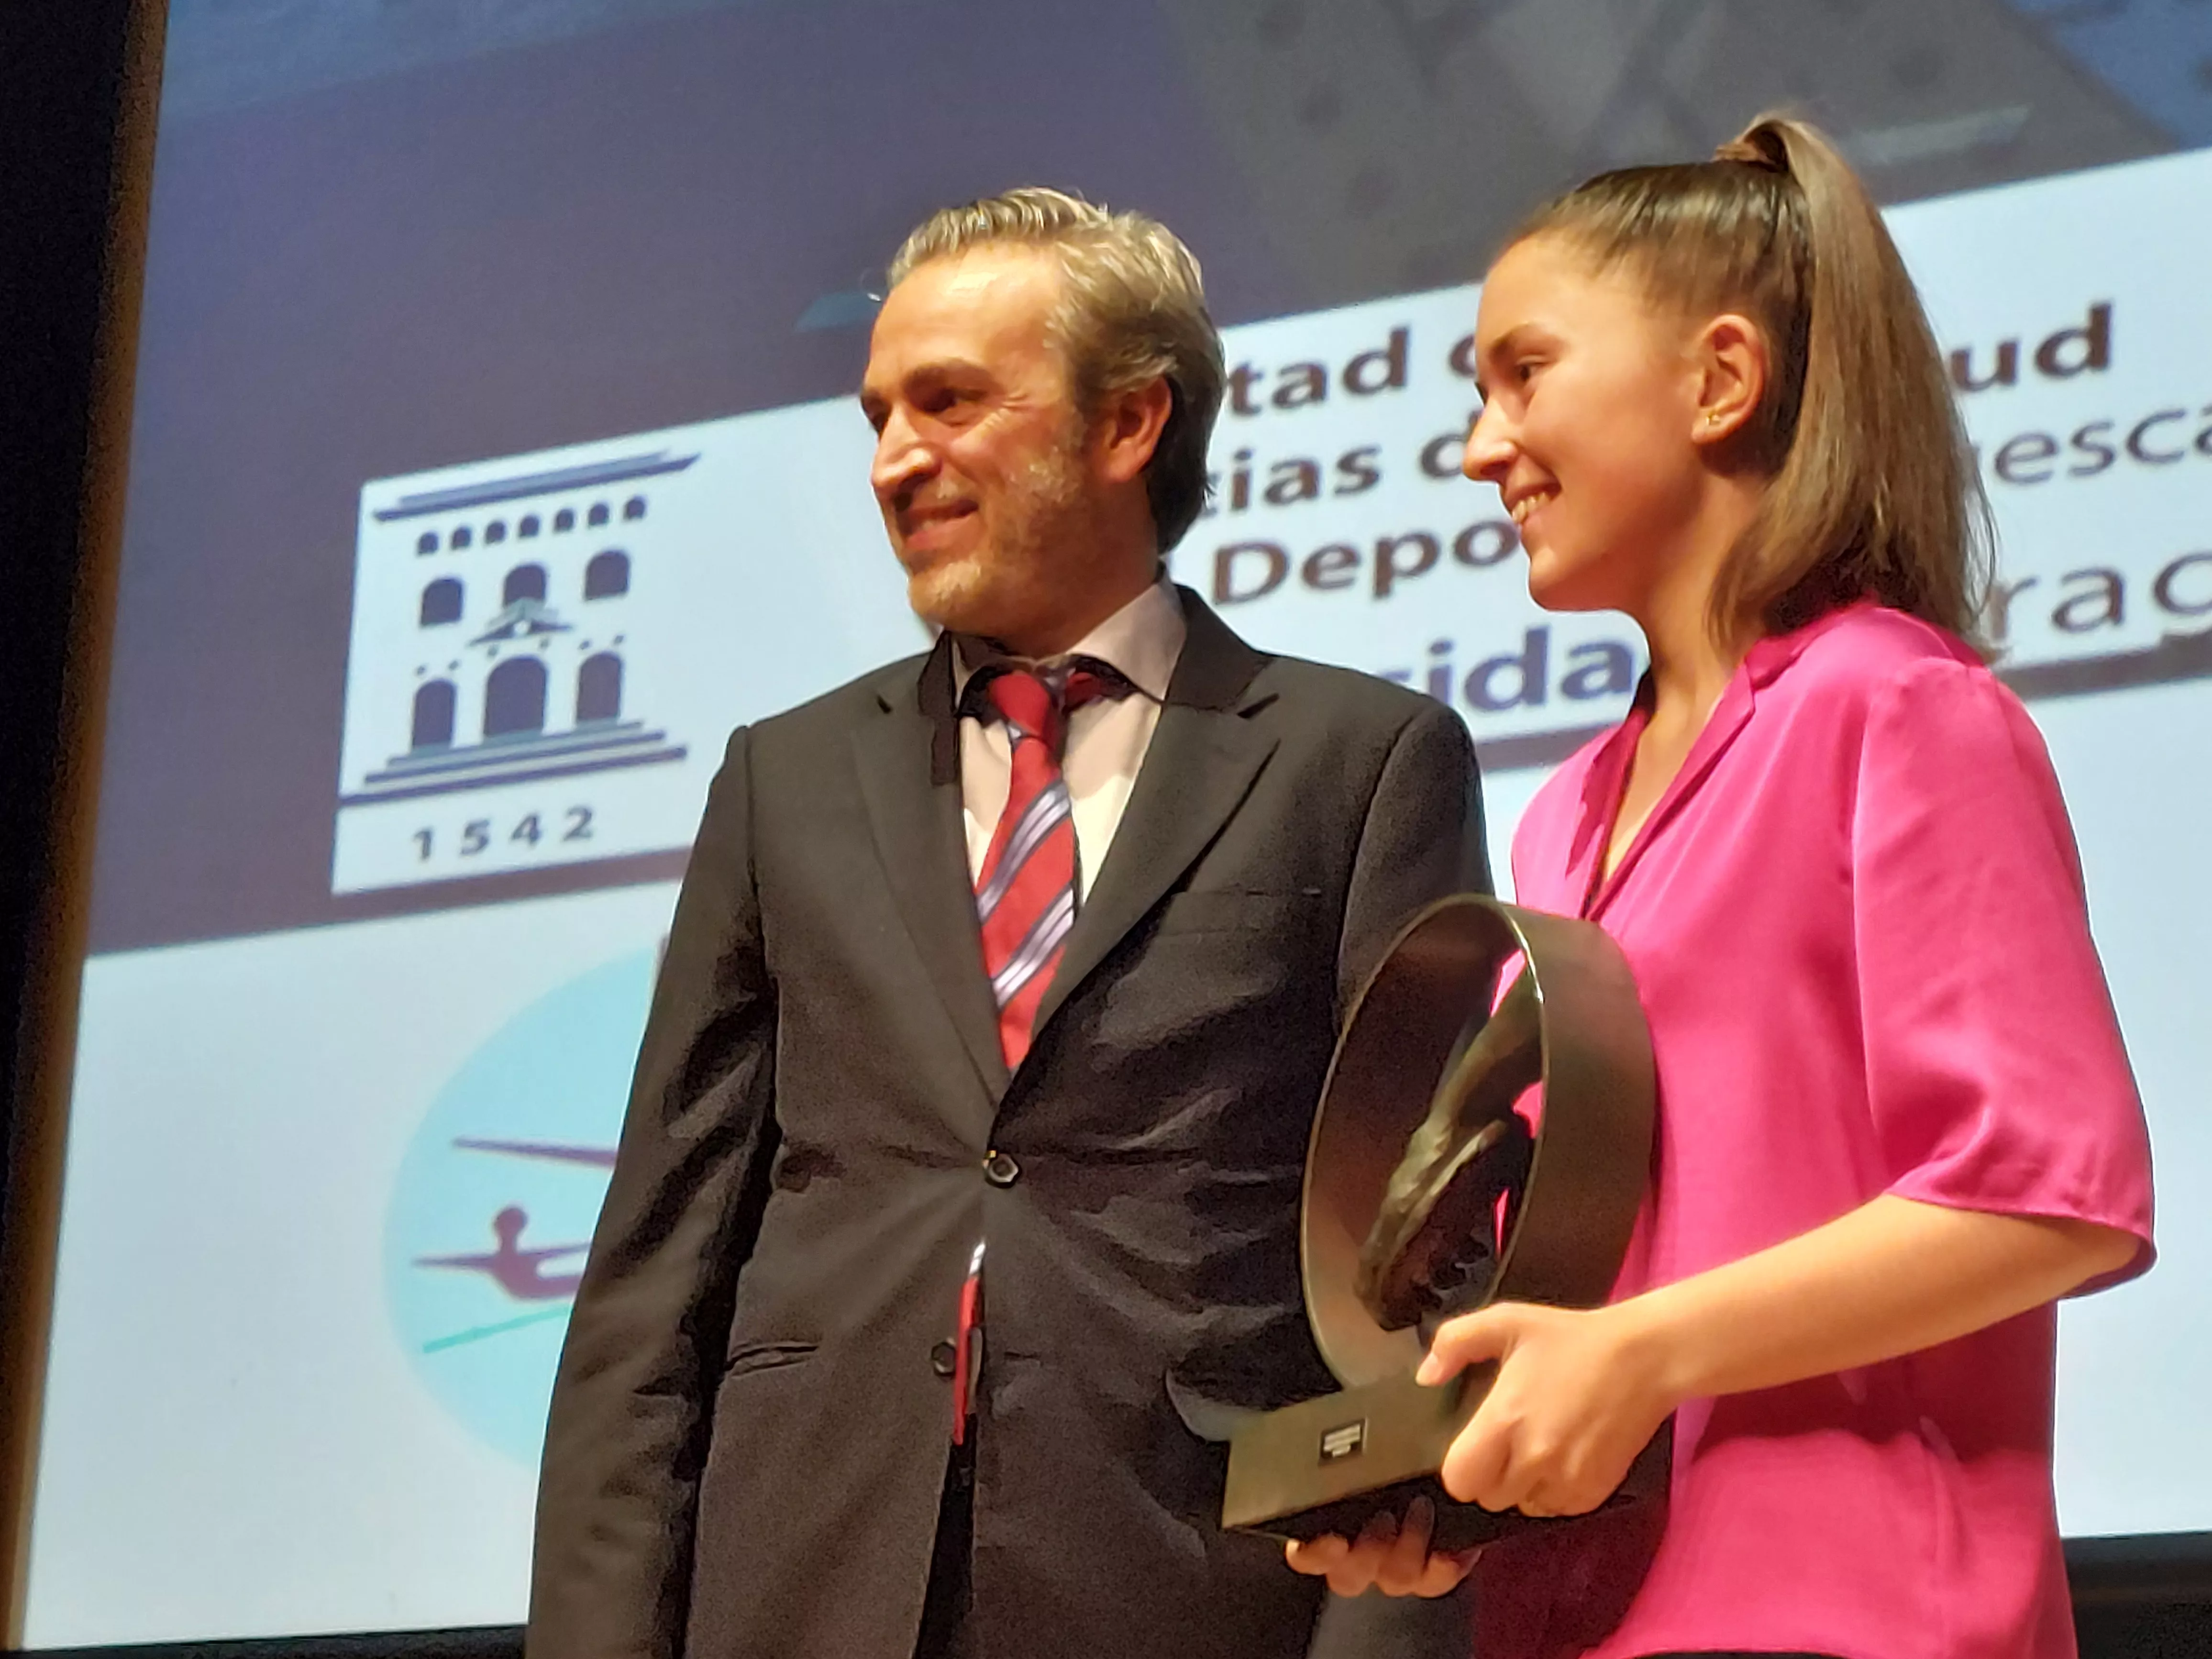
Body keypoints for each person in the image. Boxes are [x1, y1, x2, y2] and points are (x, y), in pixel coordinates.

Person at [526, 188, 1490, 1659]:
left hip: (1189, 1589)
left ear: (1129, 425)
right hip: (805, 1579)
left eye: (952, 400)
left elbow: (1416, 1258)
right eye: (880, 417)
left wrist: (1381, 1625)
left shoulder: (1358, 762)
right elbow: (657, 1274)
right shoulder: (784, 778)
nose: (897, 460)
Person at [1287, 115, 2155, 1659]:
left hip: (1867, 1614)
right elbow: (1595, 1276)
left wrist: (1637, 1353)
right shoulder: (1565, 813)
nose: (1484, 445)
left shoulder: (1896, 710)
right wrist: (1452, 1477)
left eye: (1524, 373)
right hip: (1588, 1617)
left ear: (1720, 380)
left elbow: (2044, 1195)